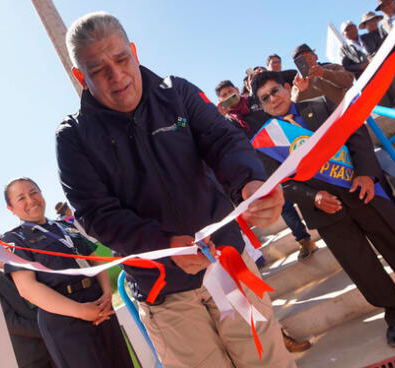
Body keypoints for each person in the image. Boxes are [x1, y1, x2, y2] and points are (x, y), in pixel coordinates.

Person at [56, 12, 295, 368]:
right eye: (99, 69)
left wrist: (251, 183)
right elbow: (95, 214)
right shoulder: (74, 138)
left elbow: (223, 141)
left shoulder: (177, 93)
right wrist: (162, 246)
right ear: (80, 75)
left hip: (228, 264)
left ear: (134, 51)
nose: (117, 76)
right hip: (164, 294)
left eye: (122, 60)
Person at [252, 71, 395, 347]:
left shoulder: (319, 105)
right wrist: (313, 197)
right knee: (362, 267)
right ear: (261, 107)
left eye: (275, 91)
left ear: (286, 88)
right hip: (326, 211)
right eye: (265, 99)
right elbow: (279, 183)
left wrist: (366, 174)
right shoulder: (266, 142)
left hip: (362, 190)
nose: (273, 99)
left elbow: (355, 134)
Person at [1, 178, 134, 368]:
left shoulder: (65, 227)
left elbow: (95, 258)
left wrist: (106, 294)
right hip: (65, 319)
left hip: (100, 306)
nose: (31, 201)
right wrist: (80, 311)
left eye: (33, 192)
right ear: (11, 208)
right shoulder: (14, 239)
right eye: (21, 198)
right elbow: (27, 288)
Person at [215, 80, 318, 260]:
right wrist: (217, 117)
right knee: (284, 205)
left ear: (237, 90)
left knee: (305, 189)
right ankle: (304, 240)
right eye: (224, 96)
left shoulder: (257, 101)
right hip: (261, 167)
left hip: (283, 153)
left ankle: (322, 222)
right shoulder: (225, 121)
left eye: (230, 92)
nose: (228, 97)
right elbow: (186, 124)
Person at [0, 257, 55, 368]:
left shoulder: (26, 267)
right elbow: (11, 323)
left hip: (53, 348)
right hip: (31, 355)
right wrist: (48, 331)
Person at [290, 43, 355, 105]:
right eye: (301, 60)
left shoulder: (332, 67)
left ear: (316, 56)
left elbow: (349, 81)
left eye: (308, 56)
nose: (306, 60)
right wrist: (301, 91)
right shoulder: (297, 84)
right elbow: (294, 106)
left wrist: (324, 73)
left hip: (345, 110)